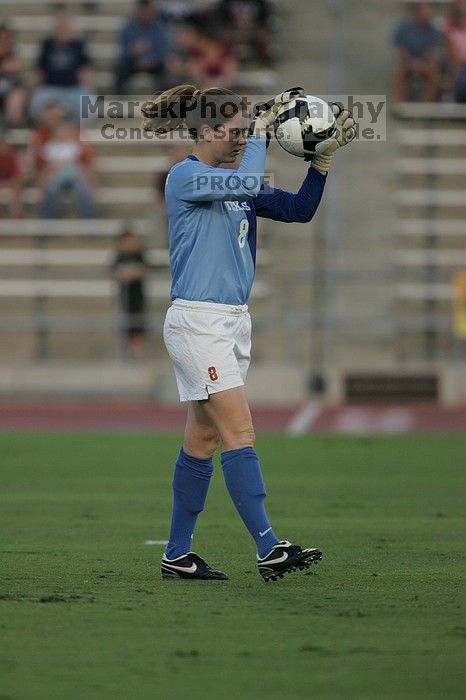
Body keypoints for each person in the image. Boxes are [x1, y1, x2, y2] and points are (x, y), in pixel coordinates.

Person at [141, 84, 355, 581]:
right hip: (199, 320)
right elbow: (248, 179)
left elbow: (300, 210)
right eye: (235, 133)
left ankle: (177, 554)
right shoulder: (186, 175)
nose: (242, 141)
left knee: (203, 440)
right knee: (241, 432)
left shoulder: (238, 183)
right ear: (207, 131)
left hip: (231, 322)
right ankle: (268, 547)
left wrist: (320, 164)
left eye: (246, 133)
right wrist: (261, 132)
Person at [29, 13, 94, 123]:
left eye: (65, 28)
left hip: (73, 88)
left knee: (89, 109)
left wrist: (90, 91)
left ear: (71, 29)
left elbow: (85, 71)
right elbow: (39, 71)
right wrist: (33, 90)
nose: (62, 31)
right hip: (50, 88)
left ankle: (73, 132)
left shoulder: (79, 45)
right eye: (60, 28)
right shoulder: (47, 45)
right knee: (36, 105)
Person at [37, 119, 97, 218]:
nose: (63, 133)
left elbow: (78, 164)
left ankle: (89, 221)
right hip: (55, 175)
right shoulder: (49, 146)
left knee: (84, 192)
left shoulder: (74, 145)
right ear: (55, 132)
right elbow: (47, 166)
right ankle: (46, 219)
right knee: (51, 192)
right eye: (60, 130)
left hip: (72, 174)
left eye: (65, 130)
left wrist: (91, 182)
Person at [114, 0, 172, 94]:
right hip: (133, 62)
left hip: (154, 63)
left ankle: (163, 100)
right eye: (142, 11)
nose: (145, 14)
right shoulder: (128, 27)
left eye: (147, 11)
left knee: (166, 70)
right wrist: (133, 51)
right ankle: (120, 98)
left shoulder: (160, 27)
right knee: (120, 67)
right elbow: (123, 50)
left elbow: (164, 50)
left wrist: (152, 59)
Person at [392, 1, 441, 102]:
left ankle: (428, 108)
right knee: (398, 71)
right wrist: (412, 64)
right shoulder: (402, 28)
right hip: (406, 63)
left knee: (433, 73)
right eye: (426, 9)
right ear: (416, 10)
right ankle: (399, 105)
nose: (429, 12)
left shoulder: (432, 30)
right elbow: (401, 52)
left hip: (425, 64)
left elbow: (430, 54)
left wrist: (421, 65)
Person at [112, 230, 148, 359]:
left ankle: (138, 349)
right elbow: (116, 272)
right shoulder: (120, 256)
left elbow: (143, 269)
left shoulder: (139, 255)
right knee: (126, 323)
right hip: (124, 298)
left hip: (138, 297)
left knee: (139, 323)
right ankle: (127, 349)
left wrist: (132, 273)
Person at [0, 23, 28, 127]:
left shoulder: (14, 55)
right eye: (1, 37)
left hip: (10, 90)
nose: (3, 41)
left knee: (17, 98)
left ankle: (13, 130)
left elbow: (19, 77)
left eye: (6, 38)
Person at [443, 0, 466, 102]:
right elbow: (454, 56)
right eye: (461, 15)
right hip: (458, 68)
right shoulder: (451, 33)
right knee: (461, 80)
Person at [0, 135, 23, 217]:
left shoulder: (12, 158)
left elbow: (16, 175)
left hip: (10, 184)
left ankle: (15, 216)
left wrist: (8, 183)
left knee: (17, 187)